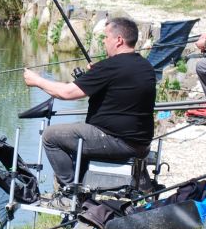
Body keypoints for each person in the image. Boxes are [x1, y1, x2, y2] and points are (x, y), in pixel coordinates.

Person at [23, 17, 156, 190]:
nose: (104, 41)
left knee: (51, 136)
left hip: (117, 142)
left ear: (118, 40)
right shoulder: (146, 66)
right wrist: (97, 76)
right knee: (80, 133)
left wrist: (37, 81)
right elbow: (122, 93)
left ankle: (70, 190)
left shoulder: (110, 66)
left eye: (106, 37)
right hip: (141, 144)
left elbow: (66, 93)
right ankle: (83, 183)